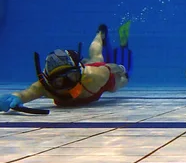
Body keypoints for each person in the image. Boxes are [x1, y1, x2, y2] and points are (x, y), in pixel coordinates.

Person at [0, 23, 131, 112]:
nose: (68, 84)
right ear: (49, 81)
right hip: (87, 78)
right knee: (95, 59)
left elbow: (109, 67)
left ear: (79, 72)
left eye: (71, 76)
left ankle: (99, 34)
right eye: (59, 81)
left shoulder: (94, 75)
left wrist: (122, 69)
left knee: (100, 61)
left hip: (93, 83)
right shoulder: (46, 87)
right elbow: (25, 94)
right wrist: (14, 97)